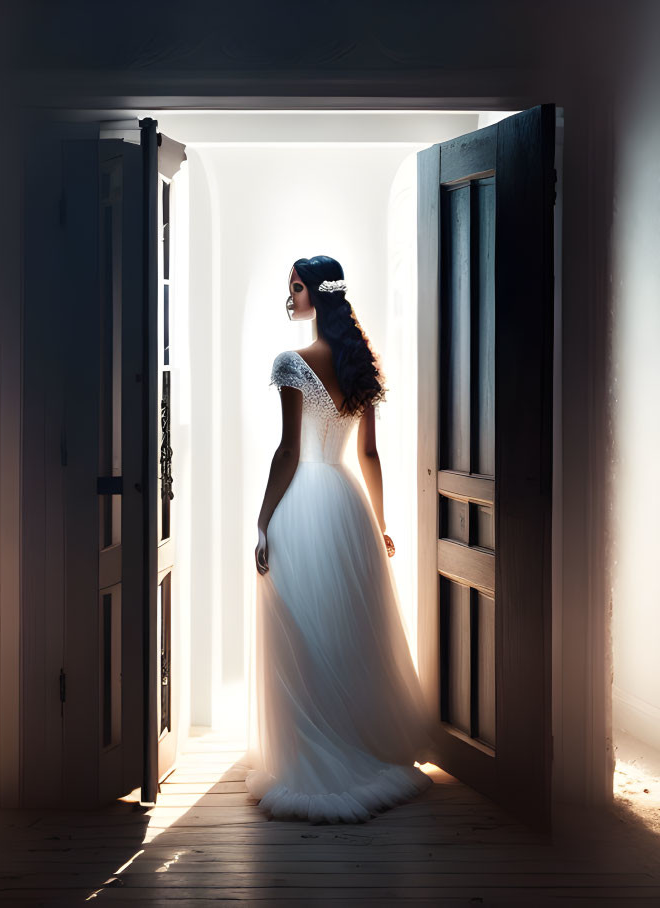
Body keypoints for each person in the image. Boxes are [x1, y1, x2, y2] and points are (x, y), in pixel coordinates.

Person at [245, 254, 440, 824]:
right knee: (347, 629)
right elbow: (369, 454)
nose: (290, 294)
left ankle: (311, 750)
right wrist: (377, 523)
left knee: (304, 629)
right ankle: (359, 742)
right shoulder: (358, 361)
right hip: (347, 503)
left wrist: (262, 518)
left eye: (296, 285)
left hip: (303, 501)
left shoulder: (290, 362)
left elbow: (287, 451)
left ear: (314, 295)